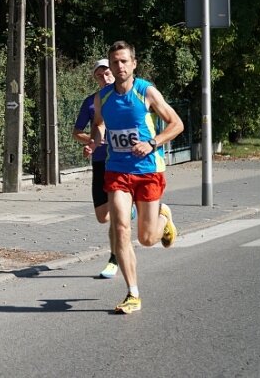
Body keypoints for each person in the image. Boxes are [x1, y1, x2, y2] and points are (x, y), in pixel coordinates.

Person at [91, 40, 184, 314]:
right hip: (117, 170)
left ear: (133, 64)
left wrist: (153, 143)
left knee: (145, 238)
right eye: (114, 62)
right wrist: (96, 140)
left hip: (148, 170)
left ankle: (163, 218)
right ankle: (133, 293)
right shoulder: (103, 97)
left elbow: (177, 124)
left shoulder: (146, 92)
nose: (119, 66)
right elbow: (98, 124)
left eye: (123, 61)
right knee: (120, 227)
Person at [72, 59, 133, 279]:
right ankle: (131, 210)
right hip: (100, 161)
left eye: (107, 73)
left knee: (117, 215)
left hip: (121, 162)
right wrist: (92, 142)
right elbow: (77, 131)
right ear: (95, 78)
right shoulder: (92, 102)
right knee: (103, 217)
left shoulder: (126, 97)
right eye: (99, 75)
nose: (104, 77)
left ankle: (114, 259)